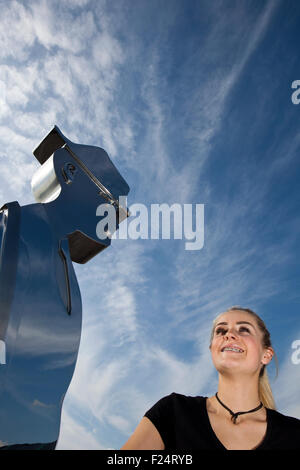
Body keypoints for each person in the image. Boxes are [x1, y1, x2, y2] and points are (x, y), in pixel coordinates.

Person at [121, 306, 300, 450]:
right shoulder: (173, 412)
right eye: (220, 331)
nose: (229, 334)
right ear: (212, 350)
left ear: (266, 355)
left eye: (244, 329)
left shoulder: (294, 433)